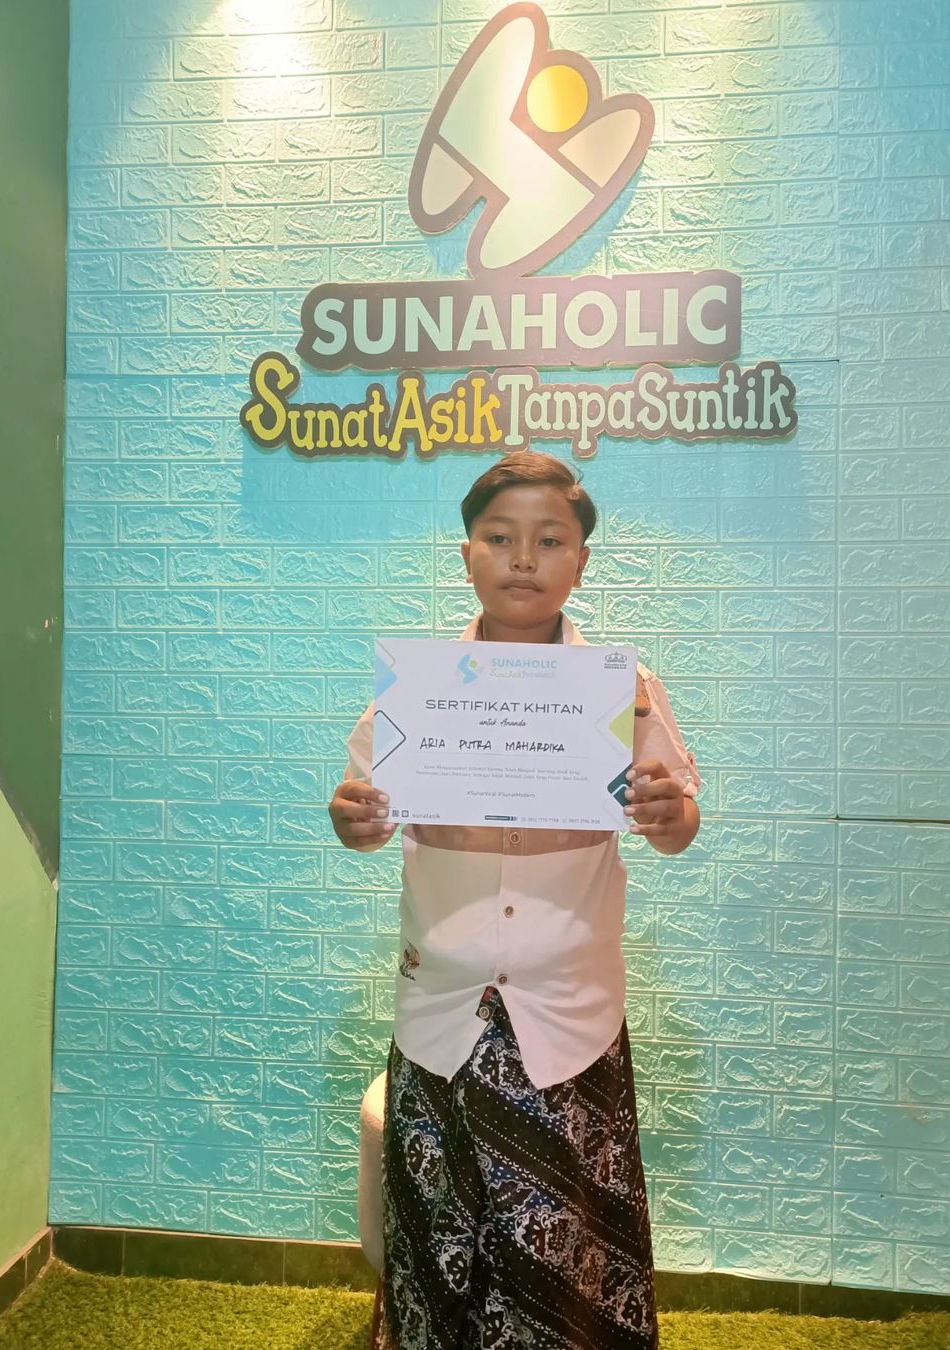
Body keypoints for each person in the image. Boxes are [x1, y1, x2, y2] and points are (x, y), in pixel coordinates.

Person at [328, 450, 701, 1349]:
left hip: (568, 1014)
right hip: (441, 1010)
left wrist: (668, 812)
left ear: (581, 560)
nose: (523, 558)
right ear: (467, 557)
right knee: (437, 1235)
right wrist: (355, 822)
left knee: (563, 1244)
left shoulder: (625, 691)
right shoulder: (417, 693)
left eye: (549, 541)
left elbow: (678, 821)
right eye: (499, 538)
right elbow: (360, 811)